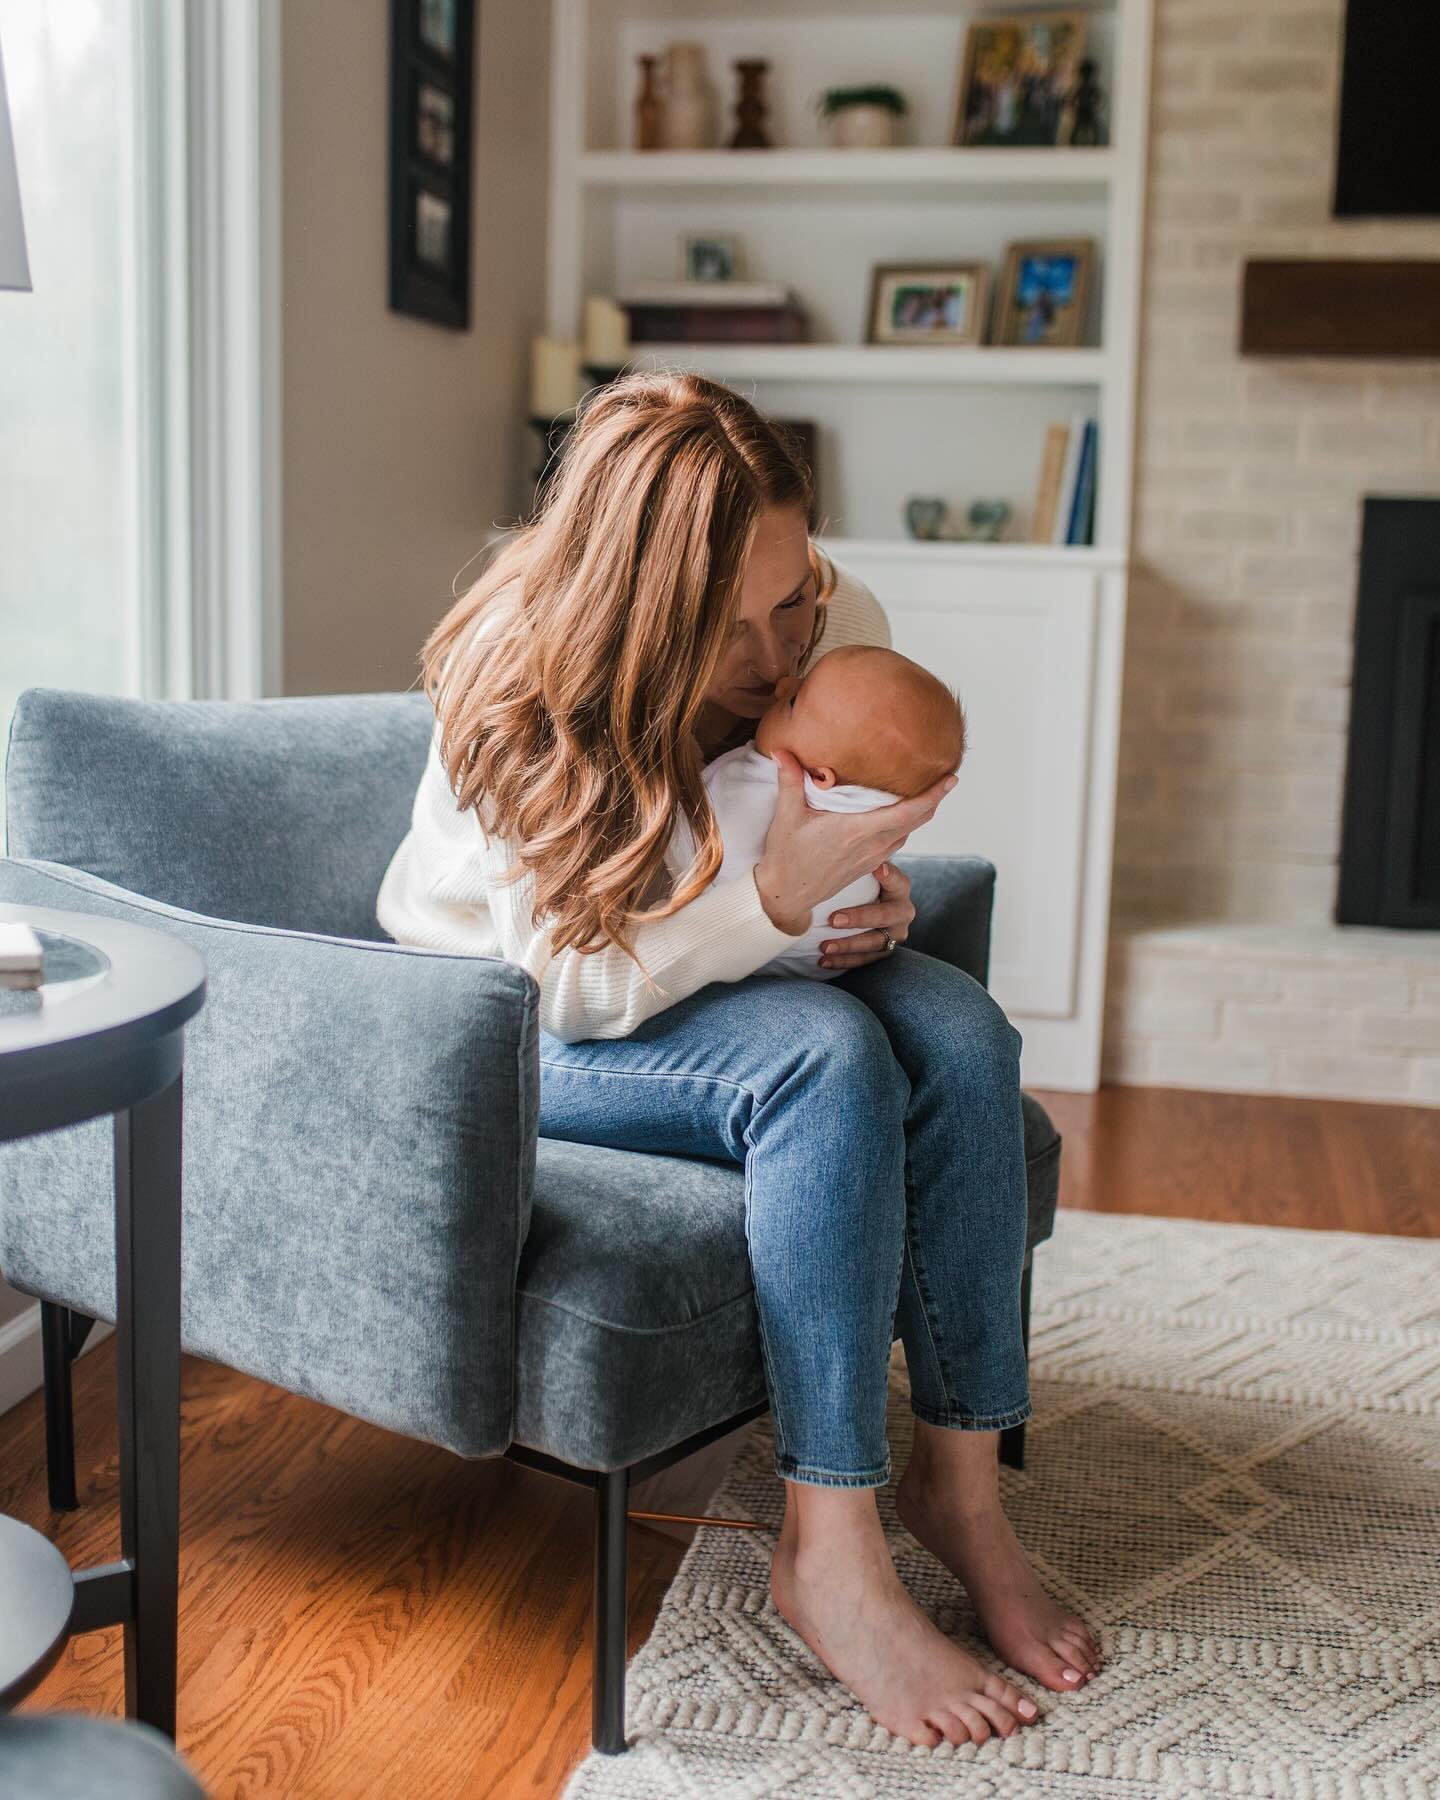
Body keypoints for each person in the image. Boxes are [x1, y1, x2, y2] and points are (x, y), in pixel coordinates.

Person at [377, 370, 1100, 1749]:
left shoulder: (831, 624)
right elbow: (566, 983)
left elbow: (829, 811)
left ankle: (960, 1489)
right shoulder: (527, 677)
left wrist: (868, 896)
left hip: (710, 966)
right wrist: (771, 907)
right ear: (638, 611)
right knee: (825, 1062)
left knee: (961, 1029)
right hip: (504, 1015)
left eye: (795, 595)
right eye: (734, 627)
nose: (782, 652)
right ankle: (828, 1546)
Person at [669, 645, 968, 981]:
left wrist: (889, 921)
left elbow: (680, 848)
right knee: (838, 1028)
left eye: (794, 702)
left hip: (780, 956)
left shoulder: (750, 790)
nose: (785, 685)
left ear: (821, 778)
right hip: (744, 960)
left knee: (960, 1012)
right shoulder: (861, 777)